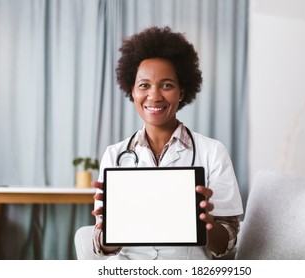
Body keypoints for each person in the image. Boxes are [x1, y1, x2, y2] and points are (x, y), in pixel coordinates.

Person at [91, 26, 243, 260]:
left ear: (182, 91)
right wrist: (108, 233)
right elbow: (104, 249)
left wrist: (207, 224)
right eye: (144, 85)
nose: (154, 96)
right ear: (131, 90)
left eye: (167, 85)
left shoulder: (212, 152)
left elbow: (226, 246)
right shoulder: (115, 155)